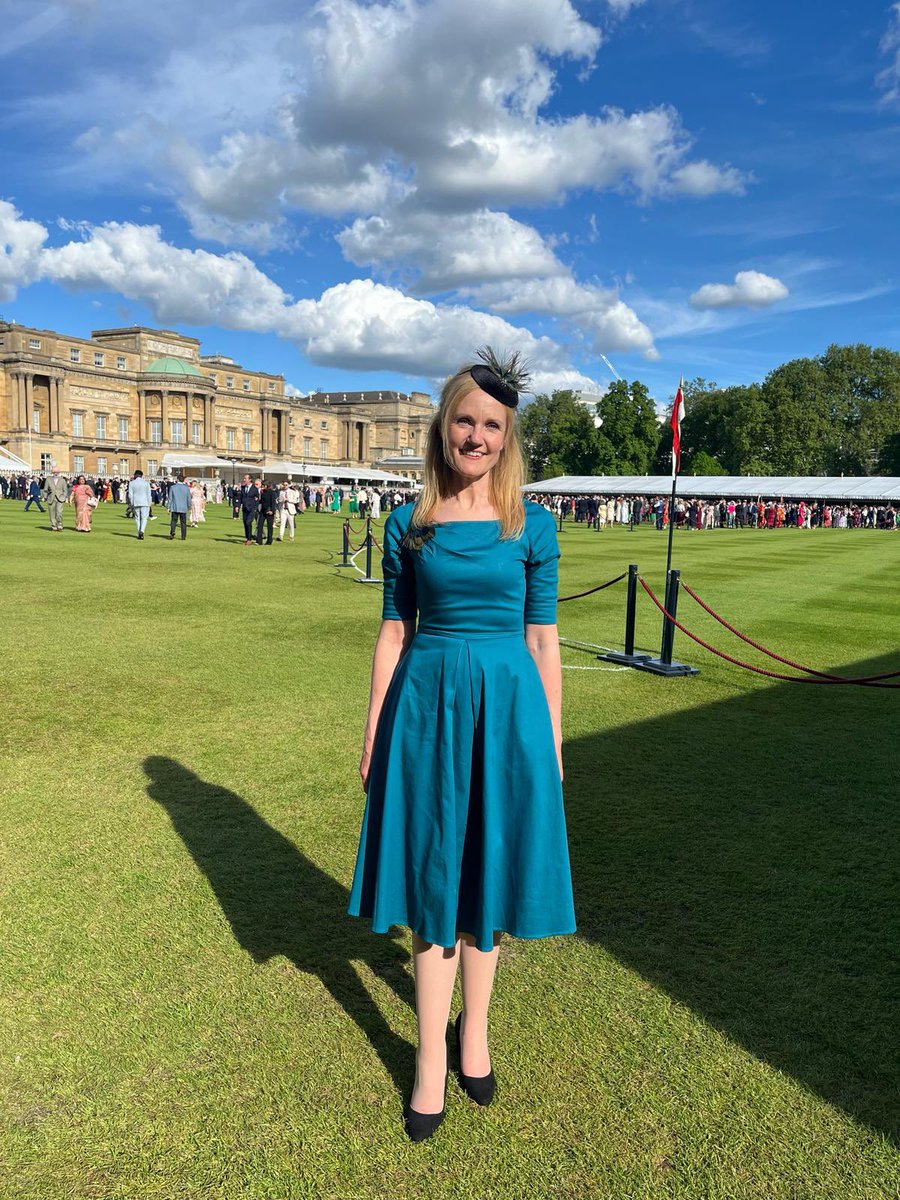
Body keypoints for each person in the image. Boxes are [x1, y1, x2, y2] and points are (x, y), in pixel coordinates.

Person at [347, 347, 575, 1143]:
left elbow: (544, 642)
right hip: (428, 708)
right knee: (432, 878)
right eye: (465, 421)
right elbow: (393, 630)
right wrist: (375, 728)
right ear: (442, 427)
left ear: (507, 438)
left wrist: (549, 744)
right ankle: (429, 1064)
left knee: (487, 879)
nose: (476, 437)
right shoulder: (408, 524)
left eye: (492, 426)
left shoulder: (531, 524)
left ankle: (473, 1033)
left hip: (509, 715)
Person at [42, 467, 68, 531]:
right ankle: (54, 526)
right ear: (52, 472)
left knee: (59, 512)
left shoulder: (62, 480)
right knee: (52, 513)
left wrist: (64, 497)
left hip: (60, 498)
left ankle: (60, 525)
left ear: (59, 473)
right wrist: (45, 496)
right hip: (51, 498)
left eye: (57, 472)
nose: (55, 473)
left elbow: (65, 490)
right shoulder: (48, 479)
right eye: (54, 472)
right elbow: (45, 489)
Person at [166, 475, 191, 540]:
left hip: (175, 507)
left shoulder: (173, 487)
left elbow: (170, 498)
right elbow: (189, 499)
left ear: (177, 479)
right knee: (183, 522)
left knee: (174, 521)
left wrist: (168, 507)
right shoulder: (186, 488)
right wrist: (189, 506)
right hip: (183, 507)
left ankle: (172, 532)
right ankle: (183, 536)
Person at [128, 470, 152, 539]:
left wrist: (132, 503)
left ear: (135, 475)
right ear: (141, 476)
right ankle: (142, 531)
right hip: (145, 502)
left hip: (136, 502)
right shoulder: (146, 483)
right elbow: (149, 494)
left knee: (137, 518)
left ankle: (139, 532)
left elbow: (130, 495)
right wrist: (149, 503)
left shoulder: (132, 483)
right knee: (144, 518)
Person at [255, 479, 278, 545]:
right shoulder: (263, 492)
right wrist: (257, 500)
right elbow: (262, 501)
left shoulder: (272, 492)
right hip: (263, 511)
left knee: (269, 527)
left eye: (264, 485)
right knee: (259, 525)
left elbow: (273, 503)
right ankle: (259, 541)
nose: (262, 486)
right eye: (262, 485)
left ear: (267, 485)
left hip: (269, 512)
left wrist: (272, 511)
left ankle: (269, 541)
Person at [240, 475, 260, 544]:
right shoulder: (243, 487)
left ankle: (249, 539)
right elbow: (241, 497)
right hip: (245, 508)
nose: (244, 479)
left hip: (252, 509)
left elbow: (257, 499)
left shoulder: (254, 488)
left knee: (248, 522)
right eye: (244, 478)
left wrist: (255, 508)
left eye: (245, 478)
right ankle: (247, 537)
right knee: (245, 523)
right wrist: (237, 506)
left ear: (250, 479)